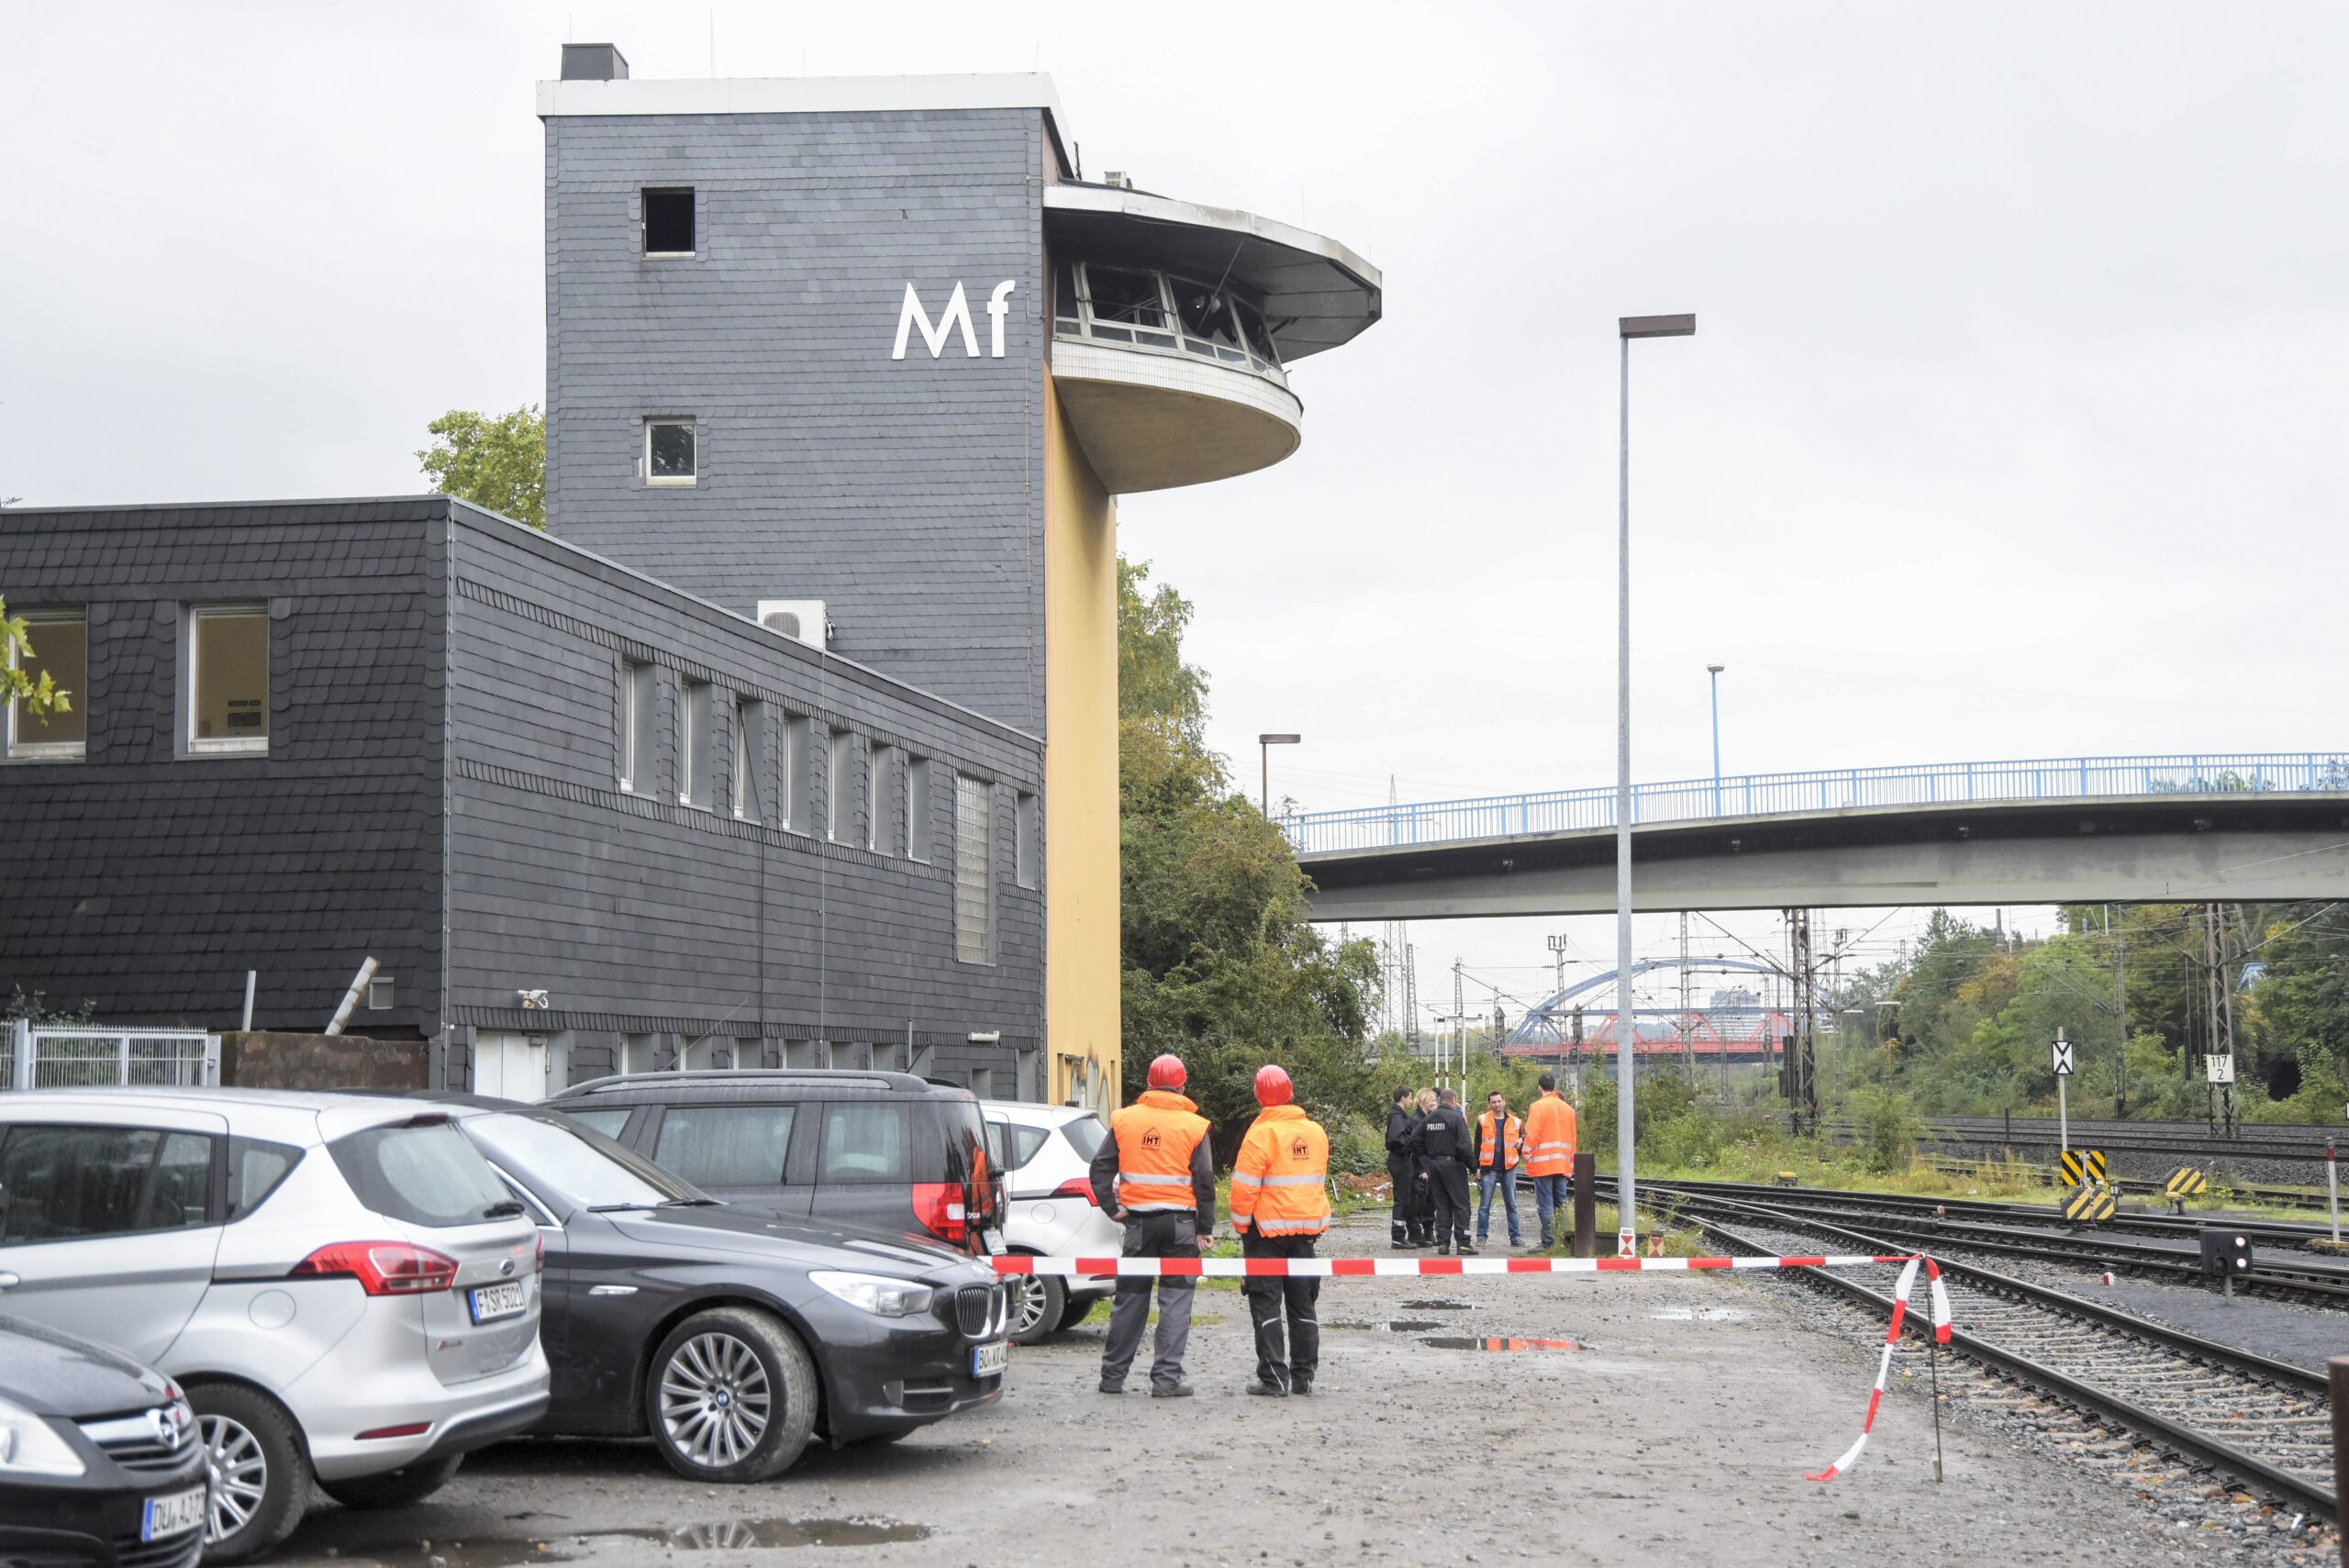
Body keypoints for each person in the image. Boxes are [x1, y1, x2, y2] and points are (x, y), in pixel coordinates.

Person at [1089, 1053, 1216, 1397]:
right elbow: (1204, 1179)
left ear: (1148, 1083)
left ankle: (1112, 1378)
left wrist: (1113, 1208)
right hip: (1180, 1226)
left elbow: (1100, 1168)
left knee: (1130, 1300)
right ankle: (1166, 1381)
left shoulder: (1125, 1120)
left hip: (1138, 1225)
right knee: (1175, 1302)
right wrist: (1206, 1227)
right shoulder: (1193, 1125)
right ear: (1182, 1085)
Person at [1229, 1064, 1330, 1396]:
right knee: (1304, 1307)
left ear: (1259, 1097)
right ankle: (1304, 1378)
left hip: (1266, 1237)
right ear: (1290, 1091)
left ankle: (1273, 1379)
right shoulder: (1315, 1132)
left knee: (1266, 1305)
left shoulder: (1260, 1135)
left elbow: (1244, 1189)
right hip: (1305, 1235)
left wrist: (1243, 1227)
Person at [1414, 1086, 1476, 1255]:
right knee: (1461, 1204)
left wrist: (1426, 1157)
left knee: (1442, 1205)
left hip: (1434, 1165)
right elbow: (1464, 1147)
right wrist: (1474, 1168)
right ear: (1454, 1100)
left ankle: (1443, 1242)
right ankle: (1463, 1243)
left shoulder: (1429, 1119)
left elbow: (1414, 1140)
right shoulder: (1456, 1119)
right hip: (1453, 1165)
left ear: (1440, 1101)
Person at [1523, 1071, 1579, 1251]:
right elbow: (1573, 1138)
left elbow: (1532, 1134)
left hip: (1543, 1164)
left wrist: (1527, 1154)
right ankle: (1564, 1241)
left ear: (1539, 1088)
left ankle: (1548, 1242)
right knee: (1560, 1203)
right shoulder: (1568, 1109)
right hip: (1561, 1164)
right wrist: (1570, 1164)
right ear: (1554, 1087)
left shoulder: (1538, 1107)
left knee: (1545, 1204)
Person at [1473, 1090, 1525, 1249]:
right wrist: (1476, 1167)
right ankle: (1481, 1237)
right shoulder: (1483, 1121)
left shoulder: (1515, 1122)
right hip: (1489, 1169)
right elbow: (1477, 1146)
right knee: (1484, 1205)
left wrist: (1518, 1151)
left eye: (1498, 1101)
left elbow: (1522, 1140)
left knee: (1512, 1204)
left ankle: (1515, 1237)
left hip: (1508, 1168)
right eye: (1493, 1102)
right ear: (1489, 1104)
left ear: (1504, 1102)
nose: (1496, 1105)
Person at [1384, 1085, 1419, 1249]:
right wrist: (1410, 1142)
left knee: (1408, 1197)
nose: (1411, 1100)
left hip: (1403, 1159)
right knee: (1402, 1198)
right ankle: (1398, 1237)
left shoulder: (1400, 1116)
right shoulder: (1397, 1117)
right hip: (1400, 1158)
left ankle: (1406, 1234)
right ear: (1403, 1098)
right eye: (1410, 1097)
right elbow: (1395, 1138)